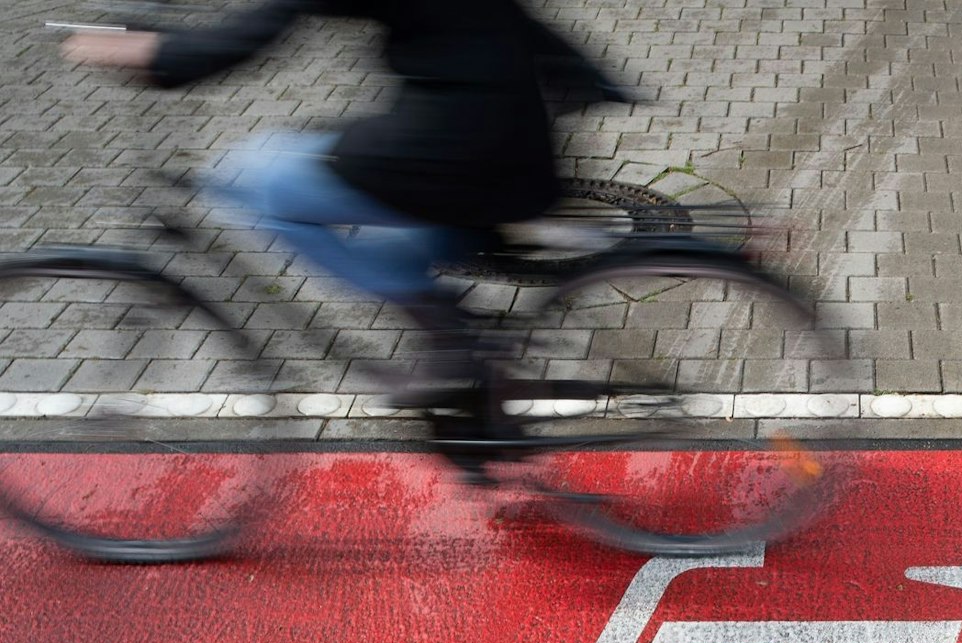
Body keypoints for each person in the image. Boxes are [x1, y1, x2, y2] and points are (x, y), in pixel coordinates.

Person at [61, 0, 627, 414]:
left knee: (254, 180)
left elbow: (247, 39)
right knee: (287, 154)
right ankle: (456, 329)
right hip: (510, 130)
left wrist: (152, 52)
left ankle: (446, 334)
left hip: (466, 147)